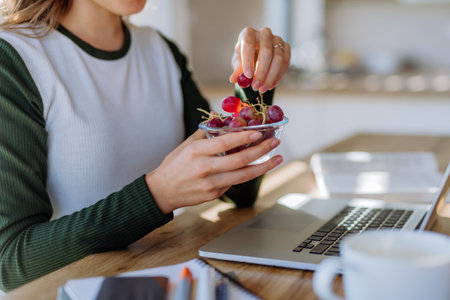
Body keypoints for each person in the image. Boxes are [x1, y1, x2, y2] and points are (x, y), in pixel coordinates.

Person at [0, 0, 291, 292]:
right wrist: (156, 196)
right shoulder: (14, 58)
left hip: (161, 282)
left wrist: (253, 81)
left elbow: (238, 193)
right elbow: (11, 262)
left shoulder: (160, 50)